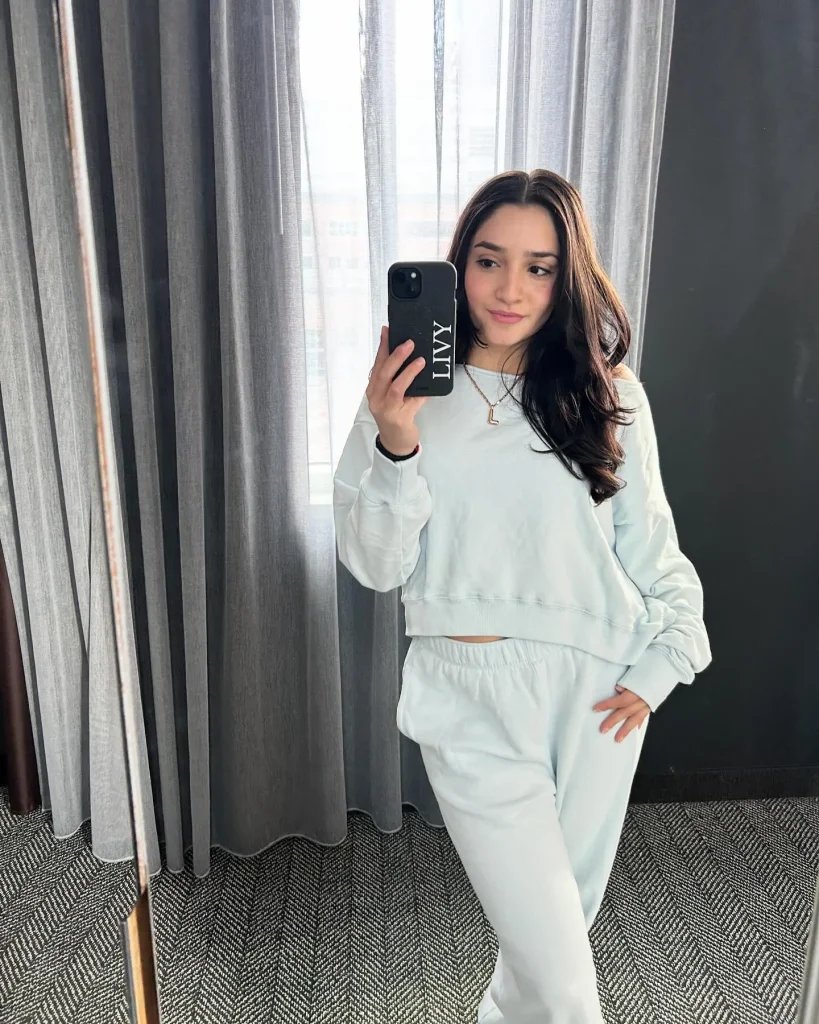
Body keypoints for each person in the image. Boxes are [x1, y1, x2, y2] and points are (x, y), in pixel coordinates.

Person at [332, 169, 712, 1023]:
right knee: (565, 984)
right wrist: (395, 442)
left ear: (565, 276)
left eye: (538, 268)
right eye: (488, 261)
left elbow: (652, 552)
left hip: (598, 702)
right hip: (468, 702)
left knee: (549, 952)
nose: (510, 289)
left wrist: (662, 667)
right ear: (457, 266)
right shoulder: (401, 396)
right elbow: (375, 565)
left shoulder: (609, 395)